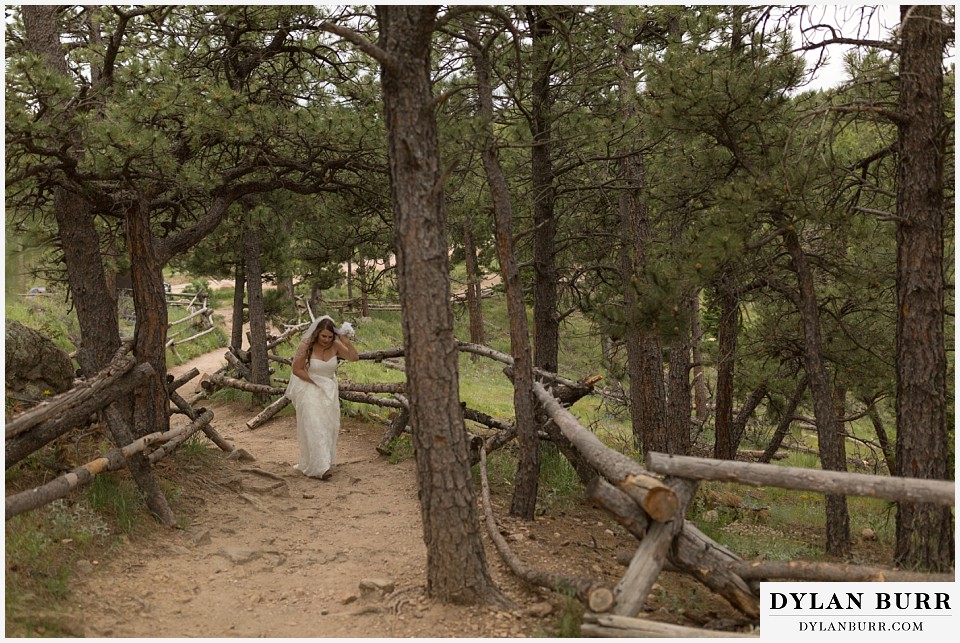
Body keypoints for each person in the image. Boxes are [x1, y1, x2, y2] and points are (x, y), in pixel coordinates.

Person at [284, 316, 359, 479]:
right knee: (314, 426)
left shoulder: (336, 346)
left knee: (328, 426)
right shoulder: (306, 346)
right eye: (323, 336)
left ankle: (323, 461)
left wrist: (345, 341)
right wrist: (316, 382)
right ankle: (320, 468)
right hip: (309, 387)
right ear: (317, 333)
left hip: (329, 391)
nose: (326, 340)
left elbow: (354, 357)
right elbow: (296, 369)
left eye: (330, 337)